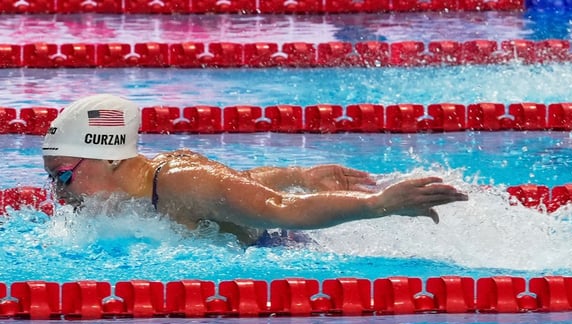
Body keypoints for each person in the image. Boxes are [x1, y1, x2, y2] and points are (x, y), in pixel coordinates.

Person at [41, 94, 468, 246]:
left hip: (283, 254)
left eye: (63, 176)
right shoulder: (131, 192)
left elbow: (283, 211)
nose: (59, 194)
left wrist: (379, 204)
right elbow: (234, 191)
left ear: (111, 156)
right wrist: (297, 174)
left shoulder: (180, 181)